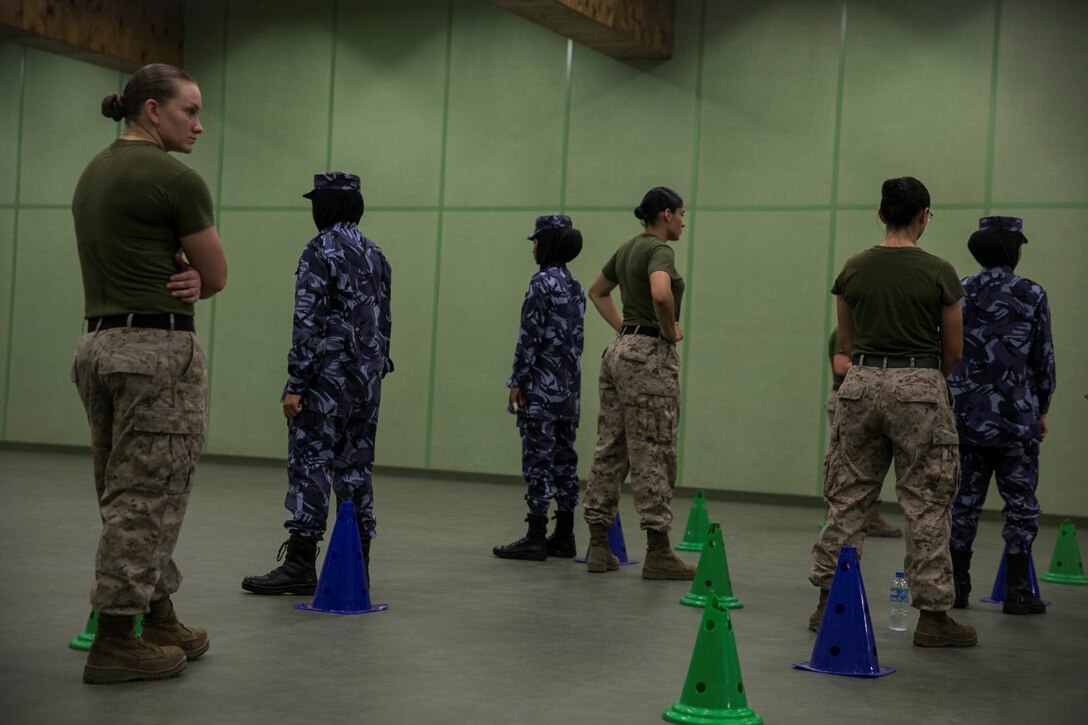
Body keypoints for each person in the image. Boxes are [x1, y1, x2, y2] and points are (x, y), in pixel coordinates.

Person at [72, 63, 228, 684]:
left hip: (98, 344)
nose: (198, 123)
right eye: (188, 110)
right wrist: (197, 277)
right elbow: (214, 275)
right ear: (152, 111)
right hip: (156, 351)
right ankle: (116, 637)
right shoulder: (173, 177)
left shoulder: (94, 172)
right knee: (149, 497)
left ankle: (158, 616)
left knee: (128, 493)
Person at [808, 177, 976, 647]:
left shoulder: (853, 269)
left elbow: (846, 341)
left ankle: (828, 602)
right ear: (924, 215)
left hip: (859, 384)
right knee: (925, 502)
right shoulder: (940, 272)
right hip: (919, 383)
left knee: (848, 498)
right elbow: (954, 350)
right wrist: (919, 379)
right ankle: (934, 618)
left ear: (881, 214)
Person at [242, 172, 392, 595]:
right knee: (357, 469)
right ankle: (357, 563)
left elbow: (307, 323)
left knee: (310, 464)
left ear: (324, 206)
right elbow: (385, 319)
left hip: (325, 382)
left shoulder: (319, 250)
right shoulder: (375, 253)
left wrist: (296, 383)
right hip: (366, 381)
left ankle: (301, 563)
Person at [581, 187, 695, 580]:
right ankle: (658, 551)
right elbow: (662, 294)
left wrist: (625, 331)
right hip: (649, 356)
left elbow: (596, 291)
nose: (684, 220)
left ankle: (598, 545)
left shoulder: (627, 247)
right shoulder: (660, 251)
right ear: (665, 215)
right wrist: (667, 331)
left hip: (619, 351)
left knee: (610, 446)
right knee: (655, 449)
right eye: (681, 213)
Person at [947, 216, 1055, 615]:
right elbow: (1043, 357)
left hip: (965, 419)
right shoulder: (1030, 293)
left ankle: (957, 588)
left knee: (962, 503)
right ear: (1012, 250)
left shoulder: (957, 290)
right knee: (1021, 505)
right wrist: (1041, 407)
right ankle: (1017, 591)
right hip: (1015, 418)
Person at [493, 215, 586, 561]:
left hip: (541, 392)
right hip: (568, 392)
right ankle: (564, 534)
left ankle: (535, 534)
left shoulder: (541, 284)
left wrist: (517, 381)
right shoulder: (574, 287)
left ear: (547, 243)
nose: (532, 247)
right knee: (565, 461)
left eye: (536, 240)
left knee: (537, 460)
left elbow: (529, 339)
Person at [825, 328, 902, 538]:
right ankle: (839, 515)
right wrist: (880, 369)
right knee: (846, 463)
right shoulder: (844, 332)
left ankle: (868, 516)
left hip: (863, 400)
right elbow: (841, 367)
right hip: (845, 400)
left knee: (869, 463)